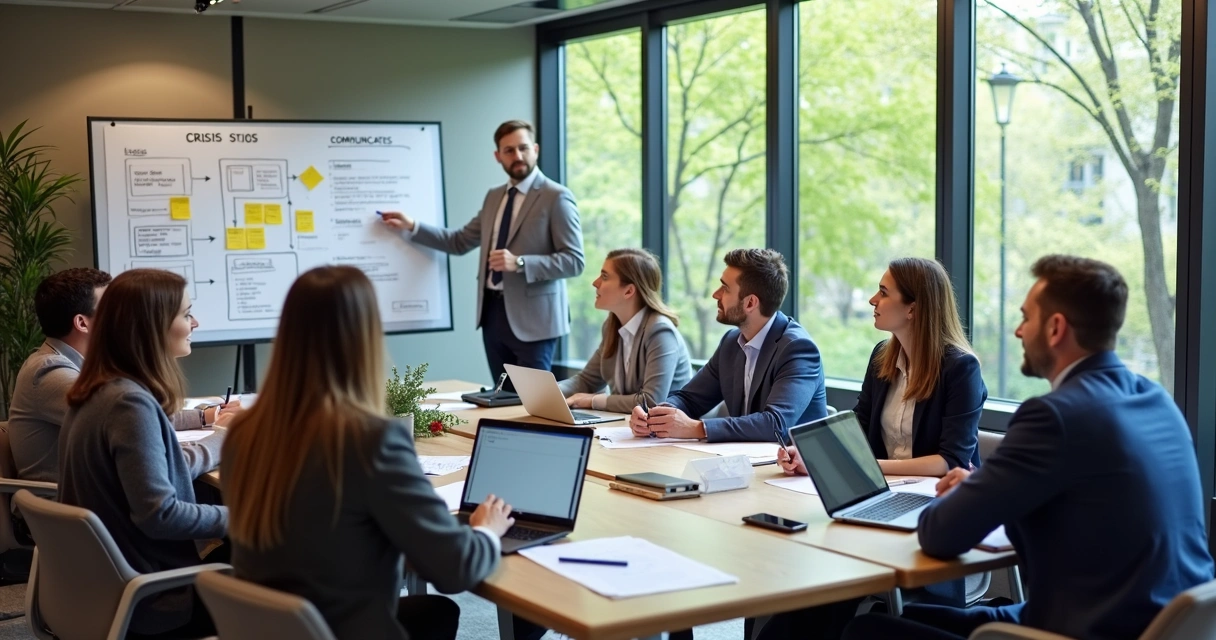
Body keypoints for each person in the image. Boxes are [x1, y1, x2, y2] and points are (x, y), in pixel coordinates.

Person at [843, 255, 1215, 640]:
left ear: (1055, 328)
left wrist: (971, 492)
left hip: (1087, 628)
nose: (1019, 332)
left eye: (1026, 318)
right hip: (1157, 622)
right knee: (913, 620)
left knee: (866, 631)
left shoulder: (1053, 417)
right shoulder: (1157, 401)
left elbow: (940, 535)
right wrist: (983, 488)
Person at [223, 266, 511, 640]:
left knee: (431, 614)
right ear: (365, 339)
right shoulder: (370, 440)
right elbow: (454, 570)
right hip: (339, 627)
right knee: (437, 610)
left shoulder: (243, 432)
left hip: (276, 627)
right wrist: (487, 531)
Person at [59, 269, 228, 638]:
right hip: (151, 596)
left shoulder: (99, 389)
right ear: (153, 327)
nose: (194, 322)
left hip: (107, 586)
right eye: (186, 314)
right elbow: (161, 516)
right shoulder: (128, 402)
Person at [380, 120, 584, 391]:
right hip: (492, 314)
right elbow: (459, 241)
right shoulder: (494, 197)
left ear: (535, 149)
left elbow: (574, 260)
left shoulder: (556, 197)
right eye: (509, 150)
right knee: (503, 402)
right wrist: (412, 227)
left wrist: (520, 263)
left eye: (524, 148)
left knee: (533, 402)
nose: (518, 156)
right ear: (497, 156)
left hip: (536, 321)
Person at [8, 267, 236, 484]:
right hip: (76, 514)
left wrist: (207, 416)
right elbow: (139, 425)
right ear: (82, 323)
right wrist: (223, 437)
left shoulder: (86, 368)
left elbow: (143, 418)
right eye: (112, 310)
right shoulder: (51, 373)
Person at [778, 257, 986, 477]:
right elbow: (859, 425)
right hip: (884, 488)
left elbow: (951, 460)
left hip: (938, 495)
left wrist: (868, 466)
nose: (872, 300)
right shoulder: (882, 355)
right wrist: (811, 455)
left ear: (912, 309)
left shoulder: (962, 368)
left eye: (883, 293)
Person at [630, 248, 828, 443]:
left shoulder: (798, 349)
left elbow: (775, 424)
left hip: (794, 470)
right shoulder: (731, 342)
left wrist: (696, 428)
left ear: (750, 303)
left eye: (725, 288)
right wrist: (656, 417)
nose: (716, 295)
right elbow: (689, 399)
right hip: (746, 462)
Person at [559, 248, 692, 411]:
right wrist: (547, 393)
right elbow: (586, 381)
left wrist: (593, 400)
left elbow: (650, 401)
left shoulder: (660, 331)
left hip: (667, 433)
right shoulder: (612, 326)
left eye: (604, 277)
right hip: (628, 428)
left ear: (629, 291)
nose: (595, 283)